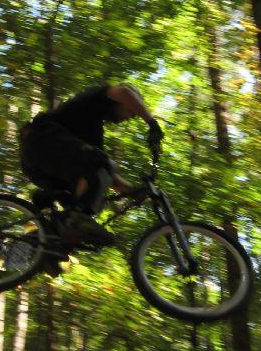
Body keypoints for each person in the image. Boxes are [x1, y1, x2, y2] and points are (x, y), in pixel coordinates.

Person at [20, 83, 163, 251]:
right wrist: (151, 123)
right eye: (131, 112)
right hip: (42, 138)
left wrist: (132, 191)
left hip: (39, 164)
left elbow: (104, 173)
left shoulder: (93, 133)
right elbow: (124, 92)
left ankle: (39, 246)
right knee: (96, 173)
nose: (131, 117)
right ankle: (77, 218)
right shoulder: (97, 96)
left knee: (80, 206)